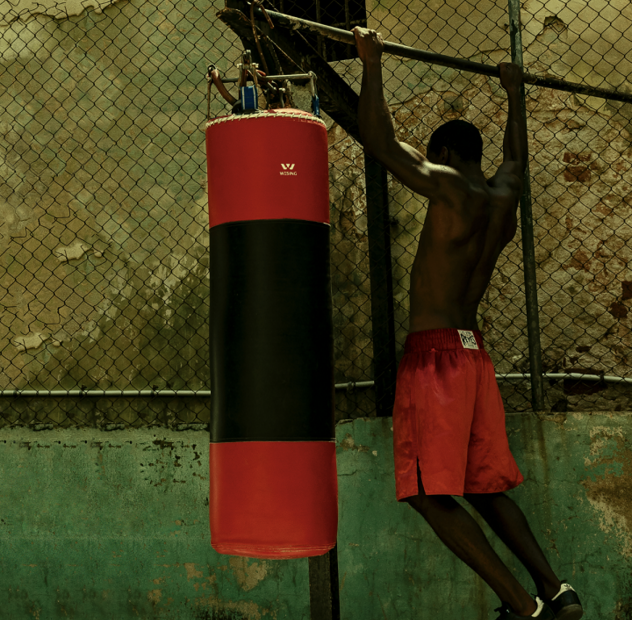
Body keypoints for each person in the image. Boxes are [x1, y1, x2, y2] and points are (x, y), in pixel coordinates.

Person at [353, 26, 584, 620]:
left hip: (435, 358)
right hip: (473, 355)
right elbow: (516, 161)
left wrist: (371, 62)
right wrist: (513, 96)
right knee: (483, 486)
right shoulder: (501, 195)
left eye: (434, 157)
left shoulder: (450, 187)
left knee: (430, 495)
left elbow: (380, 143)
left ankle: (520, 607)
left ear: (447, 155)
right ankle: (556, 593)